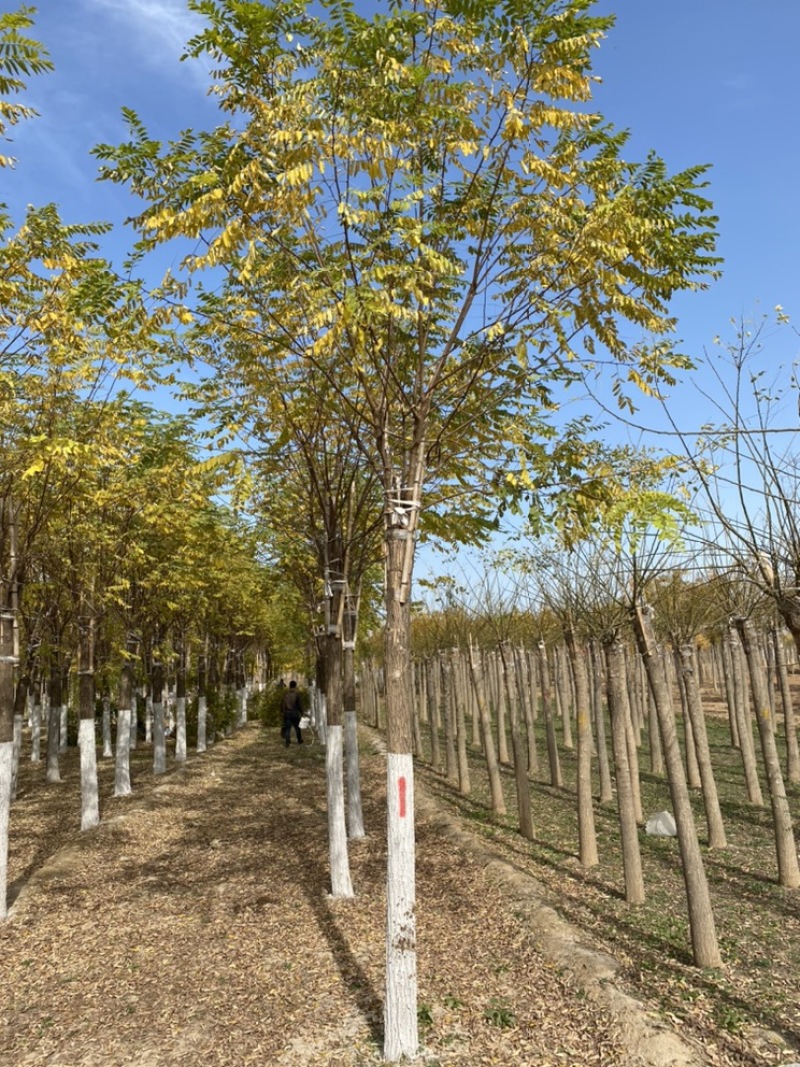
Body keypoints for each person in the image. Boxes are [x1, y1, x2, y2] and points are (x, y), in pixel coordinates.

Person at [280, 680, 303, 746]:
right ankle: (299, 740)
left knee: (287, 728)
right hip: (295, 713)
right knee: (297, 727)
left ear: (290, 686)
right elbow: (299, 705)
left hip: (287, 714)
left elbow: (282, 704)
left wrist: (282, 712)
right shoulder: (296, 695)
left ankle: (287, 741)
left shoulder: (285, 695)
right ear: (295, 686)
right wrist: (302, 712)